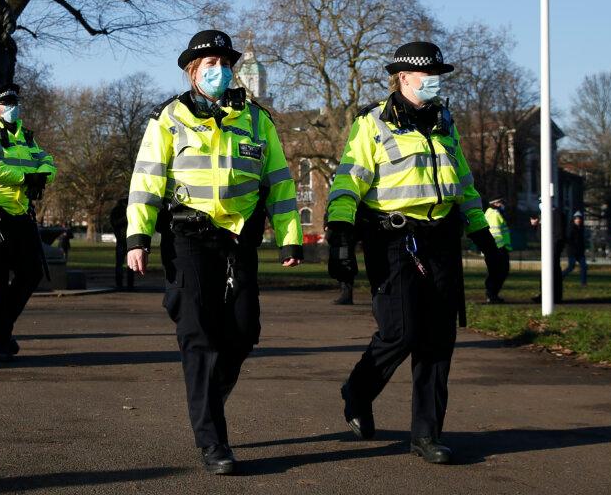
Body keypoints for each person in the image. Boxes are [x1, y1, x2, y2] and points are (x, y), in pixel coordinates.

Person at [126, 30, 303, 475]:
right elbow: (146, 180)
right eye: (209, 66)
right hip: (188, 236)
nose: (219, 72)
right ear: (193, 71)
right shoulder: (169, 118)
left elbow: (280, 182)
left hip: (238, 239)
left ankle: (207, 397)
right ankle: (213, 441)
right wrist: (137, 238)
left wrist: (290, 235)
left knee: (244, 332)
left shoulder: (256, 119)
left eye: (225, 65)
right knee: (199, 336)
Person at [325, 41, 502, 465]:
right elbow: (349, 182)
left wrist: (483, 235)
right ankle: (358, 391)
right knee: (400, 331)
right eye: (426, 75)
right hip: (392, 240)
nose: (433, 81)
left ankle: (426, 434)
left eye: (437, 74)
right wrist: (341, 235)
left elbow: (463, 183)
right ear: (402, 78)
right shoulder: (372, 124)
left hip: (441, 239)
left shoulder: (445, 122)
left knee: (439, 341)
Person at [0, 84, 56, 362]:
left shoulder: (28, 138)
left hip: (20, 213)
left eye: (15, 102)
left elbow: (49, 163)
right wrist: (28, 177)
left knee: (31, 273)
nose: (12, 107)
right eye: (6, 103)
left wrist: (41, 176)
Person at [482, 197, 512, 303]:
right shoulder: (494, 214)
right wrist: (501, 247)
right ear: (495, 203)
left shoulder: (489, 213)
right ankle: (492, 295)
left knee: (495, 272)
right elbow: (497, 233)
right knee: (499, 271)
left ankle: (492, 294)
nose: (502, 204)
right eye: (501, 202)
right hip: (498, 248)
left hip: (494, 248)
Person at [109, 197, 134, 290]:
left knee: (123, 264)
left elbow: (114, 223)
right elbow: (115, 223)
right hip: (124, 240)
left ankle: (125, 283)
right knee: (124, 264)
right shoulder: (119, 211)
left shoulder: (117, 210)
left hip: (125, 240)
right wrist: (126, 218)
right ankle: (123, 283)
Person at [562, 211, 587, 285]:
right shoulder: (571, 228)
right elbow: (568, 240)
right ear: (574, 219)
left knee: (584, 266)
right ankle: (560, 277)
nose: (578, 220)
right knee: (571, 267)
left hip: (580, 252)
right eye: (576, 219)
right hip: (572, 252)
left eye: (579, 219)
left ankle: (583, 283)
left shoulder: (581, 228)